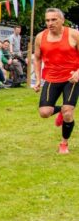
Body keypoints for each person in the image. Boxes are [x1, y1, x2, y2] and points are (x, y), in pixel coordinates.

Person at [33, 8, 79, 154]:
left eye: (54, 20)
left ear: (62, 20)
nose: (50, 23)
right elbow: (37, 58)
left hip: (72, 78)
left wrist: (78, 73)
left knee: (68, 112)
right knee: (44, 112)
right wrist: (38, 79)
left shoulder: (73, 34)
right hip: (52, 78)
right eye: (47, 20)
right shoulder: (40, 37)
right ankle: (60, 111)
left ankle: (64, 143)